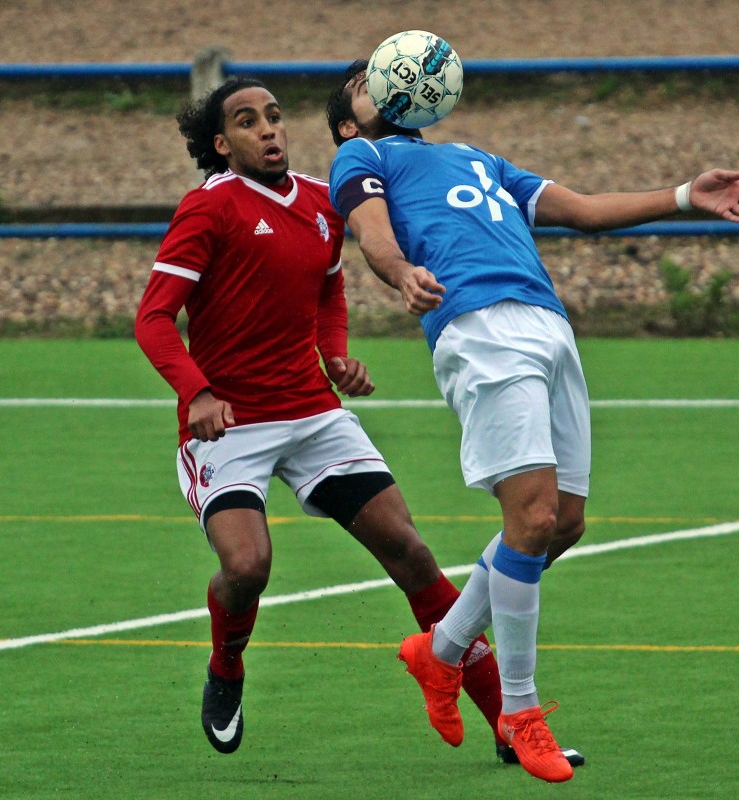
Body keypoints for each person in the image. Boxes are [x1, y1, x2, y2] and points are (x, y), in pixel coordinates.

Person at [325, 59, 739, 783]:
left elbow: (584, 210)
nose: (380, 80)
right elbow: (372, 234)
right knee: (530, 519)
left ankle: (441, 651)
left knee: (562, 523)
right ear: (350, 121)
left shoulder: (476, 158)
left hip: (547, 325)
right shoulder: (362, 155)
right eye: (363, 82)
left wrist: (685, 194)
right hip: (480, 328)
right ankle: (520, 713)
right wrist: (402, 272)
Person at [134, 77, 514, 761]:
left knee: (411, 552)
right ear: (221, 144)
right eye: (247, 121)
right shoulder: (209, 207)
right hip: (229, 423)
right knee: (248, 566)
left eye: (274, 116)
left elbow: (328, 288)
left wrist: (334, 356)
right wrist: (197, 393)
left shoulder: (319, 202)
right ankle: (226, 664)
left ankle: (509, 725)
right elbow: (154, 318)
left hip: (312, 413)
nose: (268, 129)